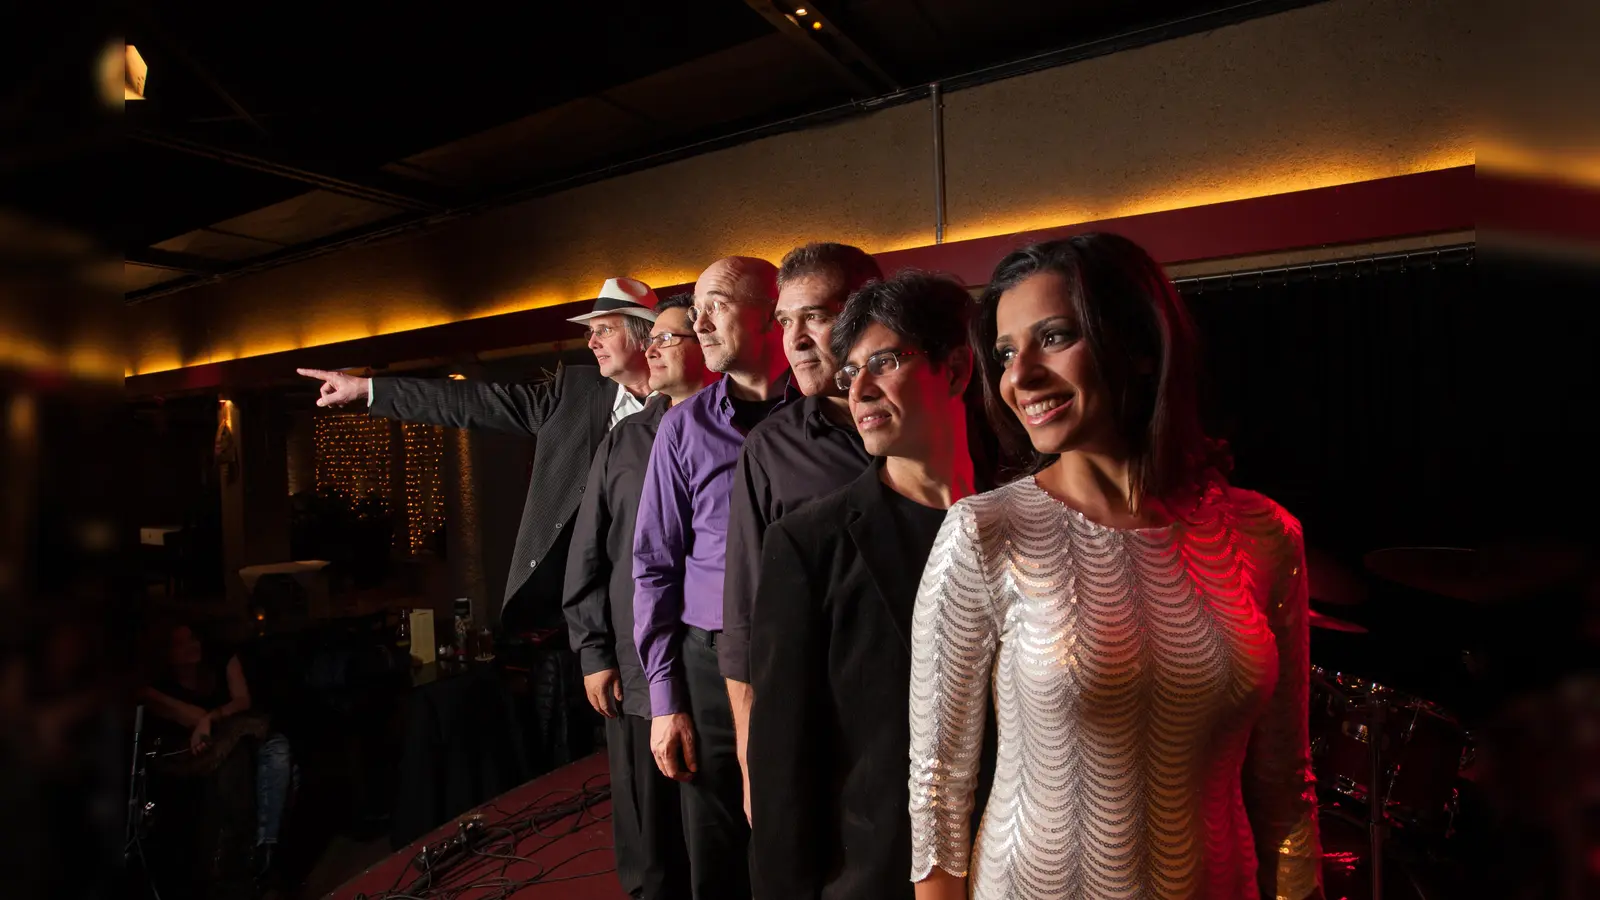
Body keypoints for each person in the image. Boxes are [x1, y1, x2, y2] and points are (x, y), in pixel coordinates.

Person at [908, 233, 1324, 900]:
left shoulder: (1265, 534)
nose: (1019, 376)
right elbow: (937, 792)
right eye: (1007, 353)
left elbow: (1285, 784)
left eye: (1054, 337)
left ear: (1138, 346)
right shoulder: (985, 532)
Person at [747, 271, 976, 900]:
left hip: (1016, 866)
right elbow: (783, 766)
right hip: (874, 875)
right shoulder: (809, 544)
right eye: (850, 372)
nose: (859, 389)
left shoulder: (1024, 522)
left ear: (957, 369)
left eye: (884, 361)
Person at [296, 276, 659, 630]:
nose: (592, 342)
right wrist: (368, 390)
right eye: (590, 332)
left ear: (644, 336)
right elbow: (473, 402)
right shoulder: (573, 395)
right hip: (599, 606)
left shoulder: (684, 403)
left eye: (604, 330)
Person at [632, 256, 789, 900]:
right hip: (707, 660)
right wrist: (666, 700)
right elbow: (654, 565)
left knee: (799, 836)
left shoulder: (827, 415)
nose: (697, 324)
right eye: (695, 310)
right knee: (718, 851)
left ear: (769, 314)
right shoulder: (682, 425)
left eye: (715, 305)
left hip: (802, 653)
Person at [720, 242, 881, 815]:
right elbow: (744, 614)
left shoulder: (938, 421)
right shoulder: (770, 448)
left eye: (814, 316)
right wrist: (750, 757)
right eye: (785, 321)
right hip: (825, 720)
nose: (796, 339)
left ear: (868, 313)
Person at [563, 293, 713, 900]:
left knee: (715, 820)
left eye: (667, 338)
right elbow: (589, 551)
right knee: (649, 833)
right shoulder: (624, 439)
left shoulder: (743, 427)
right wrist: (592, 650)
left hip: (713, 658)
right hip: (634, 660)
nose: (653, 350)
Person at [140, 622, 294, 881]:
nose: (192, 646)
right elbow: (190, 716)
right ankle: (243, 856)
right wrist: (202, 721)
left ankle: (265, 850)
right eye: (181, 644)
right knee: (235, 764)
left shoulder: (220, 659)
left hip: (244, 733)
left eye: (193, 638)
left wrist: (211, 717)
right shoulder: (162, 685)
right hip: (203, 753)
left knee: (278, 750)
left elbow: (242, 700)